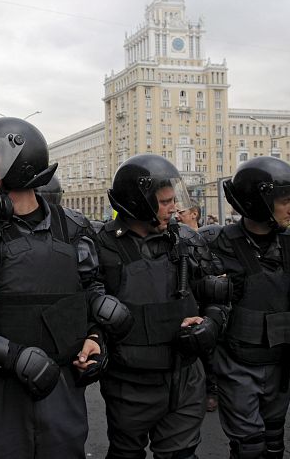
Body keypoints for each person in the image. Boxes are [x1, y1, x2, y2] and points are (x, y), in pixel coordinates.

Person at [0, 117, 132, 459]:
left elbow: (91, 293)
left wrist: (95, 339)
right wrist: (12, 357)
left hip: (62, 395)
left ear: (19, 167)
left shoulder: (73, 228)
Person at [94, 153, 228, 459]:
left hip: (184, 379)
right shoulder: (100, 247)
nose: (174, 208)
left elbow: (219, 298)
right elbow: (85, 306)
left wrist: (211, 325)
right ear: (139, 202)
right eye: (165, 201)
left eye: (173, 200)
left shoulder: (188, 242)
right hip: (128, 383)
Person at [207, 157, 290, 459]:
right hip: (237, 362)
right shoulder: (219, 244)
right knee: (249, 446)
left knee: (274, 440)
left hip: (281, 362)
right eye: (284, 201)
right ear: (258, 202)